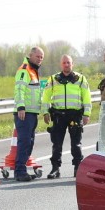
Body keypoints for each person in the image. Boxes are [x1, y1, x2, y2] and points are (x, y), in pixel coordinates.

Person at [42, 54, 90, 179]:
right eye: (64, 63)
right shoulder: (53, 79)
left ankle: (77, 168)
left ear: (72, 64)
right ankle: (55, 169)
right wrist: (45, 112)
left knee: (76, 143)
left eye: (68, 62)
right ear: (61, 64)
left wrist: (87, 114)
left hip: (75, 115)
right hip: (58, 115)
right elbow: (46, 97)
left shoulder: (80, 79)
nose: (66, 65)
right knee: (56, 143)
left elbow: (87, 98)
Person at [12, 46, 47, 182]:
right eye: (37, 56)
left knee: (29, 142)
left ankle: (22, 170)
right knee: (25, 141)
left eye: (42, 57)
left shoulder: (33, 71)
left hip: (32, 113)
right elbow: (19, 89)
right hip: (24, 113)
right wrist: (21, 107)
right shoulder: (24, 70)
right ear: (30, 55)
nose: (40, 59)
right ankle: (20, 171)